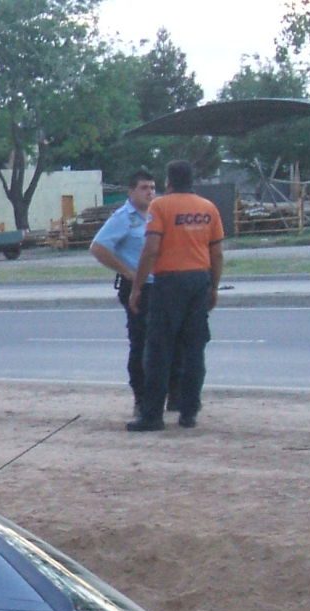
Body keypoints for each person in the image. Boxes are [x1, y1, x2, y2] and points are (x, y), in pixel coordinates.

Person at [128, 159, 224, 432]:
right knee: (194, 349)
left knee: (159, 350)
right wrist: (213, 286)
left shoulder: (161, 206)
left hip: (169, 282)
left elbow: (151, 249)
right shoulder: (208, 208)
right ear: (192, 180)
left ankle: (152, 415)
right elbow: (217, 252)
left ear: (168, 181)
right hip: (199, 280)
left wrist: (137, 286)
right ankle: (189, 411)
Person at [90, 169, 178, 417]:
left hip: (162, 287)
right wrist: (129, 272)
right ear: (131, 191)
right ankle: (141, 399)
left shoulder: (158, 214)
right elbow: (98, 247)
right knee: (141, 344)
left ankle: (171, 394)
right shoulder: (123, 218)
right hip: (139, 289)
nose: (150, 192)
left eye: (152, 187)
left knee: (167, 343)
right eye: (144, 188)